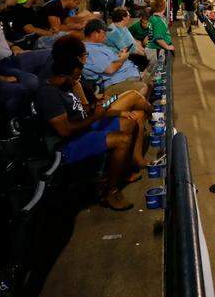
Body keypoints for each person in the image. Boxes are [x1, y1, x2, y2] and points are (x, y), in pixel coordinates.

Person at [32, 55, 145, 211]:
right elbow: (64, 131)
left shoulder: (65, 86)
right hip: (66, 145)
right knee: (122, 140)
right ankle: (110, 192)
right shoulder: (48, 95)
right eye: (75, 77)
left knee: (129, 122)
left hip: (84, 129)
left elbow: (80, 111)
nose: (77, 81)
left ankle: (120, 172)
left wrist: (97, 107)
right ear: (63, 75)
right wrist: (95, 117)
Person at [82, 19, 145, 96]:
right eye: (104, 33)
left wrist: (120, 55)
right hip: (117, 82)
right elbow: (110, 69)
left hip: (128, 74)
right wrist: (123, 58)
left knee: (153, 76)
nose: (106, 36)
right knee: (143, 88)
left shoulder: (97, 46)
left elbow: (109, 61)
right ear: (95, 34)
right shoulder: (90, 50)